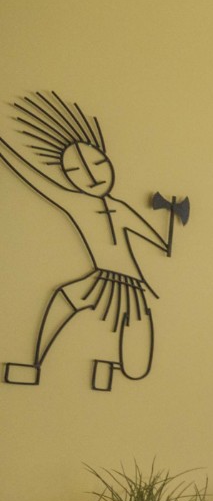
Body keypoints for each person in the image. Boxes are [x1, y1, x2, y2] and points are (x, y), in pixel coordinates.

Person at [1, 92, 186, 390]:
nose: (89, 176)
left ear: (109, 164)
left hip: (131, 287)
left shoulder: (123, 208)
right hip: (100, 279)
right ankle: (34, 365)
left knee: (136, 370)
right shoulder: (75, 203)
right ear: (68, 179)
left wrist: (170, 217)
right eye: (75, 171)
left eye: (97, 164)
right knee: (63, 298)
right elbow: (32, 176)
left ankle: (112, 366)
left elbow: (158, 244)